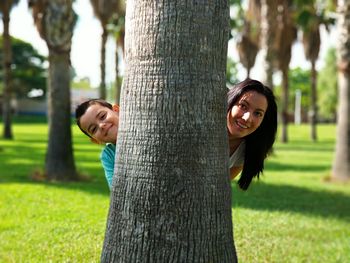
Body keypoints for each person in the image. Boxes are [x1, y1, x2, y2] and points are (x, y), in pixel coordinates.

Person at [227, 78, 278, 190]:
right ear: (230, 102)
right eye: (243, 106)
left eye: (258, 113)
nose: (247, 118)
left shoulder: (247, 151)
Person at [75, 99, 120, 189]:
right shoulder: (108, 155)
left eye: (103, 116)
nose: (101, 125)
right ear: (95, 140)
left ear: (116, 110)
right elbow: (115, 188)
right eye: (94, 129)